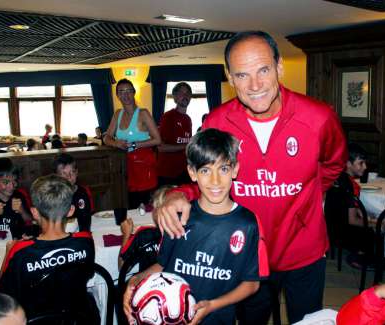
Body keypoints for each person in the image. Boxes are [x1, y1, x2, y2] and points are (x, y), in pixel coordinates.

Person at [156, 31, 347, 324]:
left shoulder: (319, 117)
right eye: (242, 75)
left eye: (264, 70)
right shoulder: (217, 122)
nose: (255, 85)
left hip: (304, 252)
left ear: (279, 67)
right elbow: (209, 174)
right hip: (245, 255)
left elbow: (333, 166)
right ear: (230, 78)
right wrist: (180, 193)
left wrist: (301, 199)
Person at [124, 128, 268, 325]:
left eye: (223, 169)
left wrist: (213, 305)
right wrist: (135, 281)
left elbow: (251, 283)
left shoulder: (247, 223)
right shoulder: (179, 217)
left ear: (235, 169)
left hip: (217, 318)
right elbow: (164, 265)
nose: (215, 181)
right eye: (205, 170)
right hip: (173, 318)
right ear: (192, 173)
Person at [0, 174, 96, 321]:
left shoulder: (21, 251)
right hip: (79, 318)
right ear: (71, 210)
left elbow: (1, 294)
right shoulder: (86, 241)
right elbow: (87, 273)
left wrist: (8, 252)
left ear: (34, 213)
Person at [104, 78, 162, 208]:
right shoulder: (117, 114)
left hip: (143, 165)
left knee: (145, 205)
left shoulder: (143, 113)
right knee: (129, 205)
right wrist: (116, 143)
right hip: (125, 166)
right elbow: (106, 137)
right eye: (122, 91)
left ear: (134, 92)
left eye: (129, 91)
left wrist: (136, 144)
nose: (126, 95)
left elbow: (157, 139)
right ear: (117, 95)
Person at [325, 143, 372, 269]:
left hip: (330, 229)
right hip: (344, 233)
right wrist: (374, 223)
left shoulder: (334, 177)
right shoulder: (351, 185)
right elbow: (352, 220)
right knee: (376, 232)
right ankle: (359, 256)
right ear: (348, 164)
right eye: (361, 163)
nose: (365, 167)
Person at [117, 185, 169, 271]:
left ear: (156, 211)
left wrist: (126, 235)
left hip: (148, 282)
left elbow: (122, 267)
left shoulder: (144, 235)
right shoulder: (187, 233)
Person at [0, 158, 32, 239]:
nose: (11, 186)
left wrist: (22, 212)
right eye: (5, 182)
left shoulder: (20, 196)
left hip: (17, 243)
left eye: (14, 181)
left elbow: (30, 221)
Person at [156, 82, 193, 186]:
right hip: (167, 173)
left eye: (187, 93)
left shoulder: (188, 119)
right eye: (181, 93)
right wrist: (186, 146)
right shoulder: (168, 117)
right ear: (175, 98)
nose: (185, 96)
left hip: (183, 172)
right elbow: (161, 147)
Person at [53, 153, 94, 231]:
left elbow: (86, 220)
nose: (69, 177)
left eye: (72, 172)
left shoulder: (82, 193)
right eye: (64, 173)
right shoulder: (52, 195)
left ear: (77, 172)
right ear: (56, 176)